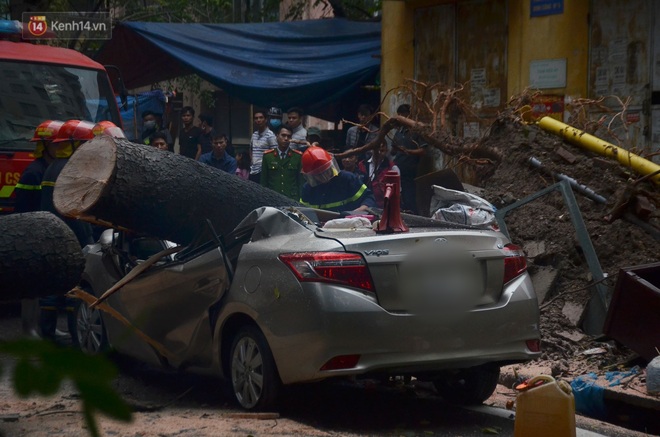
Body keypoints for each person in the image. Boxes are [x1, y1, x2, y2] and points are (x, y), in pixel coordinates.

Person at [40, 119, 98, 347]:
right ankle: (76, 335)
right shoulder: (72, 170)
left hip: (50, 232)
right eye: (84, 143)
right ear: (73, 144)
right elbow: (77, 210)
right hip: (69, 236)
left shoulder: (52, 167)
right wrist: (89, 241)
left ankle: (48, 333)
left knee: (51, 285)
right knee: (75, 286)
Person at [15, 120, 64, 338]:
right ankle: (29, 329)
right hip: (31, 234)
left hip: (46, 233)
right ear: (44, 145)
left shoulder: (51, 169)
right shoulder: (33, 173)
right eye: (55, 144)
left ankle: (46, 329)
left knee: (45, 284)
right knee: (31, 285)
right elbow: (23, 209)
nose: (60, 148)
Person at [300, 146, 376, 213]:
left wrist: (359, 211)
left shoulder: (348, 179)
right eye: (319, 174)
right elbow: (304, 212)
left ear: (331, 166)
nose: (323, 177)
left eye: (325, 171)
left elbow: (369, 197)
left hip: (350, 225)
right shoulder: (308, 189)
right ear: (311, 175)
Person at [390, 104, 428, 214]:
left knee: (409, 194)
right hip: (397, 169)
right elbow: (393, 150)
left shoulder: (416, 131)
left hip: (410, 169)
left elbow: (423, 151)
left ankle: (413, 214)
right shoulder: (398, 132)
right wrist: (395, 149)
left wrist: (407, 151)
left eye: (402, 115)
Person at [260, 126, 303, 200]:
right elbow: (263, 182)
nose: (286, 139)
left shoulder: (297, 156)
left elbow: (300, 181)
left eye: (289, 136)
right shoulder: (268, 156)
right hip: (273, 198)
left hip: (292, 198)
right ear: (277, 136)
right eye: (283, 135)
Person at [359, 140, 400, 209]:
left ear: (386, 151)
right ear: (371, 150)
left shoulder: (392, 168)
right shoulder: (362, 165)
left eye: (382, 150)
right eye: (376, 150)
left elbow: (397, 192)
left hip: (383, 207)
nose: (378, 153)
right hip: (363, 204)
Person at [249, 110, 277, 183]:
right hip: (253, 170)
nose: (258, 120)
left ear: (265, 119)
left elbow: (275, 153)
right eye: (256, 118)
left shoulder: (270, 135)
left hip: (264, 171)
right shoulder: (254, 135)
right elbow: (251, 150)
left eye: (261, 118)